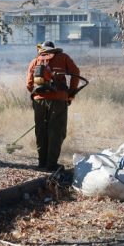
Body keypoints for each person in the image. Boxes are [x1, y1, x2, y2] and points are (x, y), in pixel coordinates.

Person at [26, 41, 80, 171]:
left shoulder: (35, 61)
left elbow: (29, 84)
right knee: (56, 131)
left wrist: (39, 95)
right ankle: (51, 164)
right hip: (58, 100)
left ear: (43, 49)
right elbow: (76, 73)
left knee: (41, 131)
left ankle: (42, 163)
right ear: (54, 49)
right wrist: (71, 93)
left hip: (39, 101)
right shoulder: (63, 57)